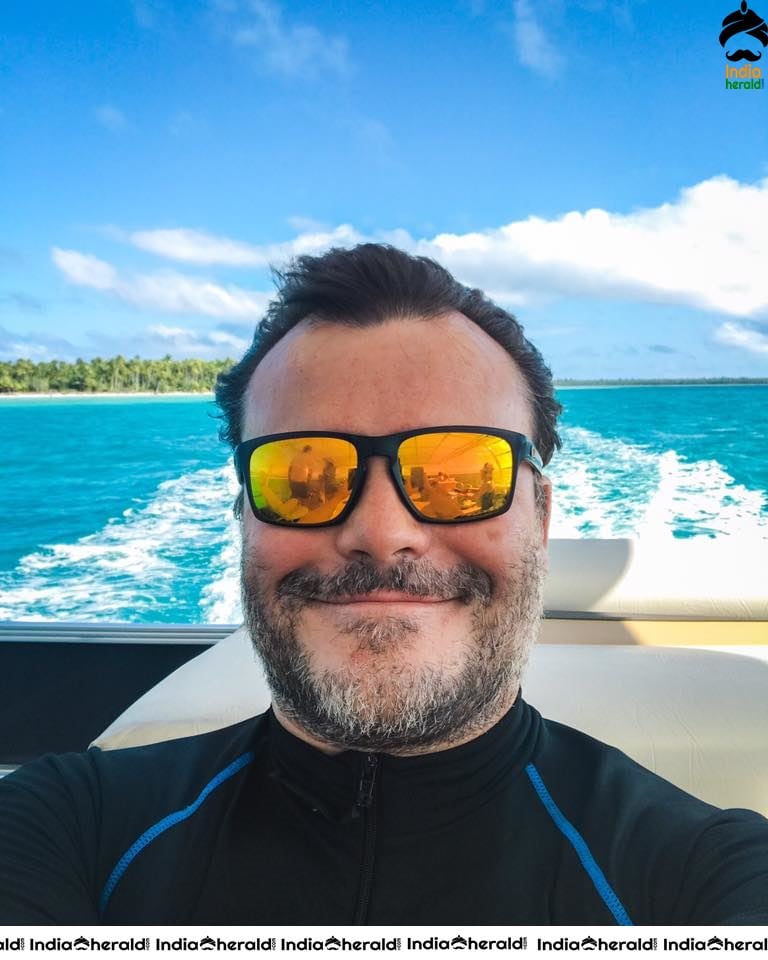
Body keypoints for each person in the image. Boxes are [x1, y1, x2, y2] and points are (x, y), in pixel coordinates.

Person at [1, 244, 767, 925]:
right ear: (243, 515)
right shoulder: (66, 824)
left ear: (540, 516)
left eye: (462, 474)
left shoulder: (702, 872)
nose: (379, 529)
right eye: (302, 476)